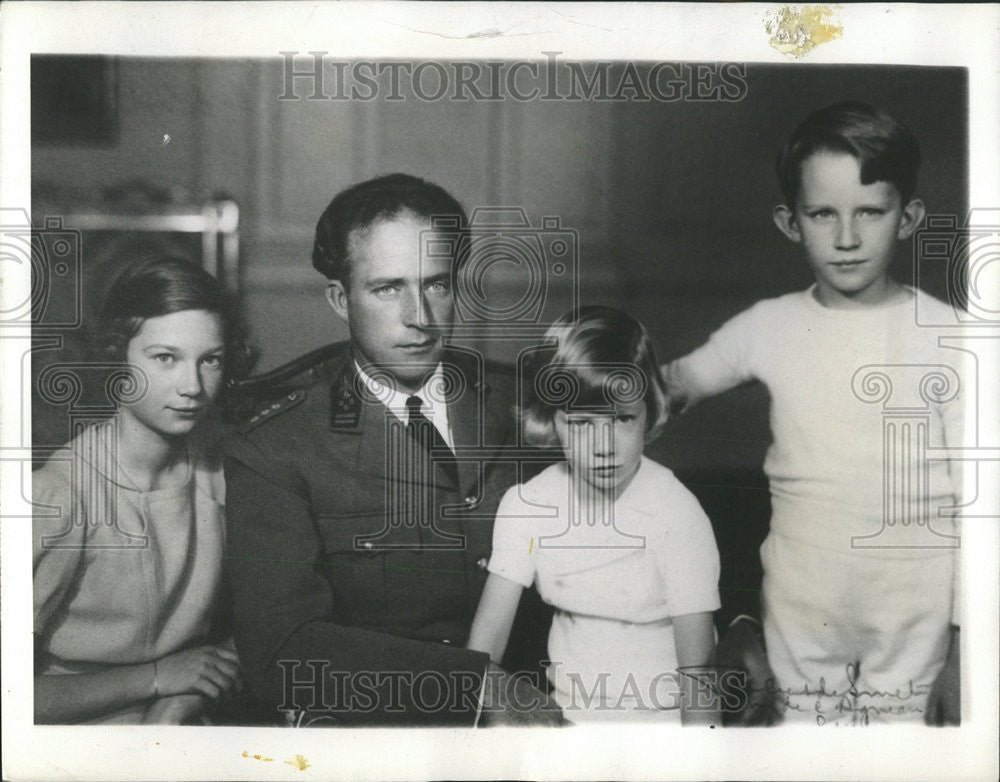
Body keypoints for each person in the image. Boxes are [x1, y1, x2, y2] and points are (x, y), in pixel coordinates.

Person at [223, 173, 561, 726]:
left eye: (436, 285)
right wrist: (475, 688)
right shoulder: (277, 444)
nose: (420, 317)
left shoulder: (525, 405)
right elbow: (281, 651)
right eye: (388, 288)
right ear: (340, 298)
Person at [664, 102, 963, 726]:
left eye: (870, 213)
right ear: (789, 221)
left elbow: (984, 507)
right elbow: (664, 390)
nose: (846, 238)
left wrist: (969, 647)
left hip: (917, 616)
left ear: (907, 218)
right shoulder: (768, 326)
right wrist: (564, 390)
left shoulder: (948, 336)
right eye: (822, 213)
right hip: (800, 609)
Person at [468, 306, 721, 724]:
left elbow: (700, 673)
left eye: (622, 419)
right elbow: (484, 648)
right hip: (568, 721)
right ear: (550, 419)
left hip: (664, 725)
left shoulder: (676, 512)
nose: (604, 446)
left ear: (651, 412)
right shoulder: (530, 505)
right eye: (582, 422)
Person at [33, 254, 252, 724]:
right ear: (116, 355)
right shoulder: (58, 496)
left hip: (181, 727)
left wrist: (180, 700)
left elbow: (268, 617)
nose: (192, 386)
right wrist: (154, 679)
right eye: (165, 358)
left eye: (210, 360)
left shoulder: (224, 470)